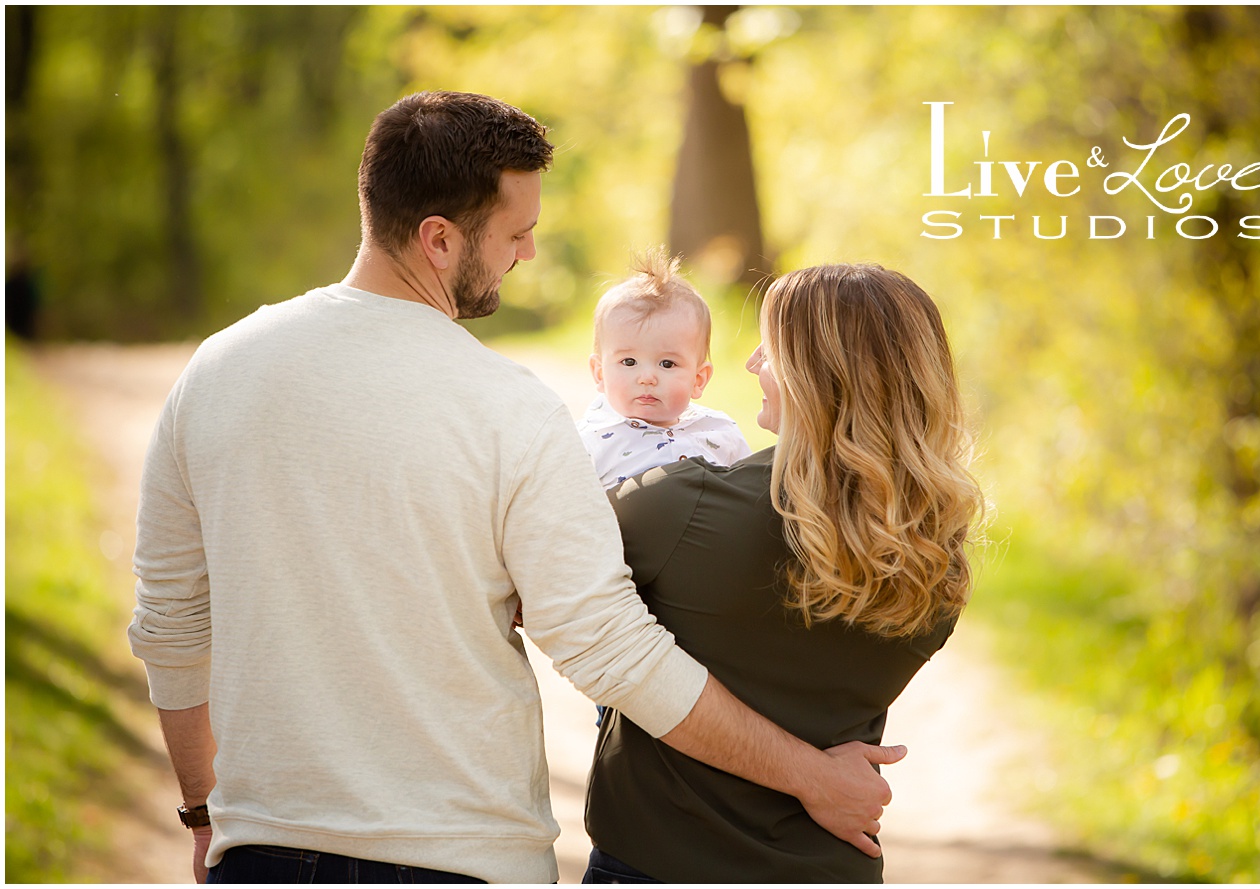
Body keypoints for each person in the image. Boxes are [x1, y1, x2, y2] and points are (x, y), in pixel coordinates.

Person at [128, 91, 903, 885]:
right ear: (438, 239)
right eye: (516, 234)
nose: (527, 254)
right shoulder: (509, 407)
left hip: (259, 853)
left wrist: (202, 812)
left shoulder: (218, 370)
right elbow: (609, 647)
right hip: (460, 856)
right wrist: (811, 775)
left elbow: (170, 622)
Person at [583, 263, 985, 883]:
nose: (750, 364)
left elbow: (549, 603)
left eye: (770, 347)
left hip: (660, 862)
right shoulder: (937, 561)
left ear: (812, 374)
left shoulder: (677, 505)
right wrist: (813, 774)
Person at [577, 248, 750, 489]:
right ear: (599, 373)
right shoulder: (588, 442)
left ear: (698, 379)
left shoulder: (720, 433)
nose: (647, 378)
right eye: (629, 362)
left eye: (667, 364)